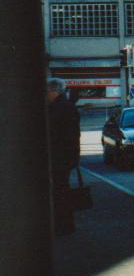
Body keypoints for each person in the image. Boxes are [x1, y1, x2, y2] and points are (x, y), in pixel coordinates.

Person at [46, 78, 79, 235]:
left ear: (54, 91)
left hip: (60, 157)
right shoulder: (65, 106)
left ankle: (63, 226)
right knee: (61, 191)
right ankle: (65, 225)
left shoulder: (60, 108)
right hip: (65, 157)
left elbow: (60, 133)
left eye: (47, 92)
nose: (46, 95)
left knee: (60, 192)